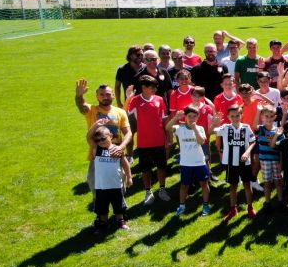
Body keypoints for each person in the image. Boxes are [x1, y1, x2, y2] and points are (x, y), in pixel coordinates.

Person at [75, 80, 132, 205]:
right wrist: (79, 96)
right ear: (97, 96)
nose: (105, 97)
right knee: (96, 185)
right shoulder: (92, 110)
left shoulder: (120, 112)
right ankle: (100, 214)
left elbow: (128, 133)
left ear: (112, 95)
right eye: (101, 94)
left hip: (116, 154)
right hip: (97, 155)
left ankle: (120, 214)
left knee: (119, 186)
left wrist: (121, 147)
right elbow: (81, 106)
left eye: (107, 94)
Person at [126, 75, 170, 205]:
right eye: (152, 87)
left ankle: (162, 189)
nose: (155, 89)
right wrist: (128, 98)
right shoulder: (135, 100)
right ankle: (148, 191)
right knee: (145, 169)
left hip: (159, 140)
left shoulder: (160, 100)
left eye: (156, 87)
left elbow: (164, 119)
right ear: (143, 88)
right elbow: (123, 114)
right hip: (144, 142)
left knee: (162, 166)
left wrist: (169, 136)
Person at [86, 122, 132, 232]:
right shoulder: (97, 150)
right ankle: (103, 223)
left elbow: (125, 164)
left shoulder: (118, 149)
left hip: (116, 184)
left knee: (118, 205)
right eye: (97, 140)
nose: (100, 142)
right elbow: (88, 137)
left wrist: (129, 177)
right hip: (101, 186)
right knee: (102, 208)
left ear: (110, 136)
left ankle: (120, 221)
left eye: (103, 139)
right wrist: (95, 125)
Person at [215, 105, 257, 221]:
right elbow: (210, 131)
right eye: (232, 116)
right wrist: (215, 123)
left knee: (247, 185)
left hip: (245, 162)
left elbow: (253, 141)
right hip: (231, 162)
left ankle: (250, 207)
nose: (235, 118)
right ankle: (233, 209)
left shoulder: (246, 127)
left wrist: (247, 152)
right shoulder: (225, 128)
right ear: (228, 117)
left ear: (241, 115)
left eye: (237, 115)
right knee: (233, 186)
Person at [168, 107, 212, 218]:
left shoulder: (200, 128)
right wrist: (175, 118)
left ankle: (205, 205)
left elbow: (202, 141)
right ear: (185, 117)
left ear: (198, 117)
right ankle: (182, 206)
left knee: (204, 184)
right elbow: (167, 128)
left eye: (194, 116)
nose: (192, 119)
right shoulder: (179, 128)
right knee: (184, 185)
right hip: (186, 163)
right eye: (189, 116)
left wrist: (195, 129)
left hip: (199, 162)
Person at [255, 105, 284, 210]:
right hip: (265, 161)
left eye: (271, 116)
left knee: (278, 182)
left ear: (275, 117)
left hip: (276, 160)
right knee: (267, 183)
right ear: (262, 116)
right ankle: (267, 203)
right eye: (266, 116)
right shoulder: (261, 129)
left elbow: (281, 149)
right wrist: (258, 111)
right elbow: (254, 125)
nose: (268, 118)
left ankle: (280, 202)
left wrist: (281, 162)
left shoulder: (279, 131)